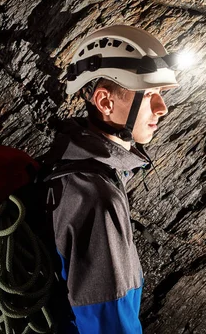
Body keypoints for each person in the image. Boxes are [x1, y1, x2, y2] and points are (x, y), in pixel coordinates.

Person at [43, 25, 180, 333]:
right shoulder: (96, 199)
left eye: (161, 94)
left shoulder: (66, 162)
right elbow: (110, 322)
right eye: (149, 95)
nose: (163, 108)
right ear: (105, 103)